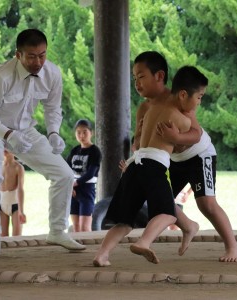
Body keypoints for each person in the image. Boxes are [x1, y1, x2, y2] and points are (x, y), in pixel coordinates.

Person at [0, 29, 85, 258]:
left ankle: (57, 231)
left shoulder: (52, 73)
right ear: (18, 55)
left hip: (26, 130)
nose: (38, 61)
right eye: (32, 56)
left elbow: (53, 108)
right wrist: (7, 135)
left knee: (63, 174)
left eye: (42, 55)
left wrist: (53, 133)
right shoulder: (1, 76)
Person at [93, 66, 207, 267]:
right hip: (153, 167)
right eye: (199, 97)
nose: (199, 103)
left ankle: (102, 255)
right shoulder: (178, 118)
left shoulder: (152, 108)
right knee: (168, 213)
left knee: (124, 222)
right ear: (183, 95)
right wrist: (178, 137)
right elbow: (197, 135)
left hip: (134, 166)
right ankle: (144, 242)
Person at [134, 51, 237, 262]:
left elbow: (196, 133)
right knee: (159, 197)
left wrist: (176, 136)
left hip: (200, 155)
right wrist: (137, 154)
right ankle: (188, 226)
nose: (137, 83)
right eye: (135, 78)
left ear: (159, 77)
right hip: (174, 160)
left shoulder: (177, 102)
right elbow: (139, 141)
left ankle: (233, 246)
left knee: (207, 204)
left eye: (141, 76)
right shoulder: (144, 108)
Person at [66, 119, 102, 232]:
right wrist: (69, 185)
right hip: (72, 190)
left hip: (87, 190)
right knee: (76, 227)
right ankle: (77, 248)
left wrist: (74, 184)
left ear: (91, 133)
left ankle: (89, 249)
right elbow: (66, 169)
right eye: (78, 132)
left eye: (85, 132)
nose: (81, 135)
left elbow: (91, 173)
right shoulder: (74, 150)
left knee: (84, 227)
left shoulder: (95, 151)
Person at [0, 149, 26, 236]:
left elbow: (20, 189)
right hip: (1, 205)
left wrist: (21, 211)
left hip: (15, 205)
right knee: (2, 239)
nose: (4, 149)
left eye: (7, 147)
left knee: (16, 239)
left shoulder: (18, 167)